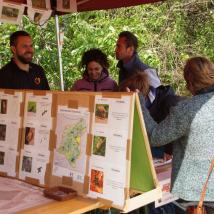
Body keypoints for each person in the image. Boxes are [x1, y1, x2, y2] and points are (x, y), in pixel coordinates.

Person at [140, 56, 214, 213]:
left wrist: (139, 103)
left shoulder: (186, 110)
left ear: (190, 81)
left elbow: (155, 137)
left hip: (198, 194)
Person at [115, 31, 161, 105]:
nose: (116, 50)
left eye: (119, 46)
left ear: (130, 49)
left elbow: (158, 98)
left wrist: (140, 104)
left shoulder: (147, 71)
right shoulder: (122, 70)